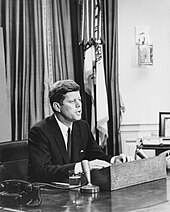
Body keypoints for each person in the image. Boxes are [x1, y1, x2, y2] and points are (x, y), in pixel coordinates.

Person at [28, 79, 132, 183]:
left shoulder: (82, 126)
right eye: (72, 101)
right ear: (57, 107)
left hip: (76, 188)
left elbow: (96, 155)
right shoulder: (40, 131)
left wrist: (114, 160)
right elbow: (42, 171)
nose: (79, 105)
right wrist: (82, 167)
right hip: (50, 192)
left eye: (79, 100)